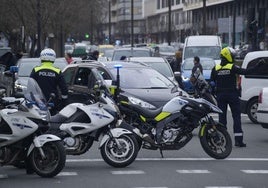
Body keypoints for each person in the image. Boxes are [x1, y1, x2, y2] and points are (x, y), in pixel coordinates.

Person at [210, 47, 263, 147]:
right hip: (232, 95)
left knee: (222, 119)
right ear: (228, 56)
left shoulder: (216, 68)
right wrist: (257, 66)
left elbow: (212, 83)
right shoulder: (232, 67)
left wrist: (214, 93)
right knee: (236, 117)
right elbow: (246, 72)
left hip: (220, 96)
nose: (233, 57)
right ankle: (238, 140)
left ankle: (223, 140)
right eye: (232, 56)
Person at [30, 48, 68, 115]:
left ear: (42, 57)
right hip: (52, 103)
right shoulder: (57, 71)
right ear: (53, 58)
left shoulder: (36, 70)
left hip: (37, 102)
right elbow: (64, 88)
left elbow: (30, 86)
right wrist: (63, 102)